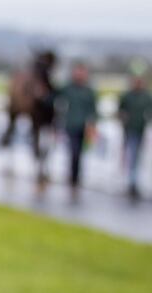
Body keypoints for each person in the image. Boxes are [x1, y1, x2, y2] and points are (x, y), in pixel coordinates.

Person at [58, 62, 98, 199]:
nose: (79, 74)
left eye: (82, 72)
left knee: (79, 154)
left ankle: (76, 178)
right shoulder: (68, 88)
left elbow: (93, 110)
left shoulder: (89, 91)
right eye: (77, 72)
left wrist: (92, 125)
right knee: (73, 152)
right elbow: (54, 96)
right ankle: (72, 178)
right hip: (70, 126)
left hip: (84, 128)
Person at [118, 72, 152, 200]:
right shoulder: (127, 96)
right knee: (130, 156)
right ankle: (130, 182)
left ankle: (134, 182)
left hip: (141, 130)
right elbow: (121, 111)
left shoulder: (146, 97)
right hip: (128, 130)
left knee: (136, 156)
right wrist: (123, 119)